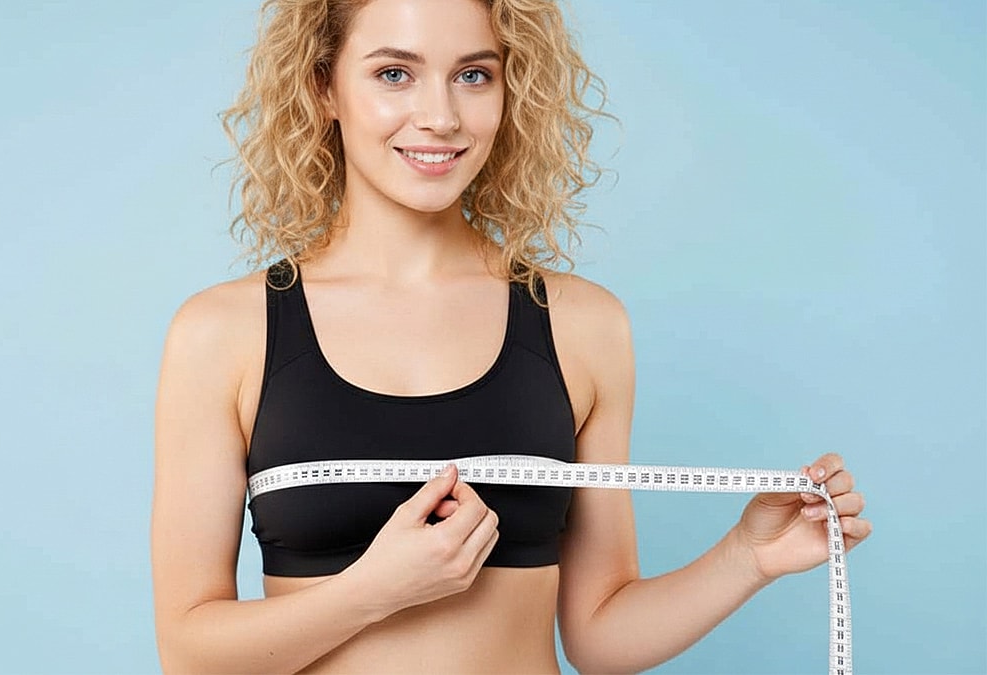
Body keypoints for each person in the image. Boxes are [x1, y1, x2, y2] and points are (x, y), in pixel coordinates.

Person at [150, 0, 873, 672]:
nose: (440, 116)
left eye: (473, 75)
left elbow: (598, 633)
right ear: (324, 89)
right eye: (394, 74)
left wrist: (747, 556)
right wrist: (372, 589)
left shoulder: (583, 325)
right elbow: (187, 650)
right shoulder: (226, 333)